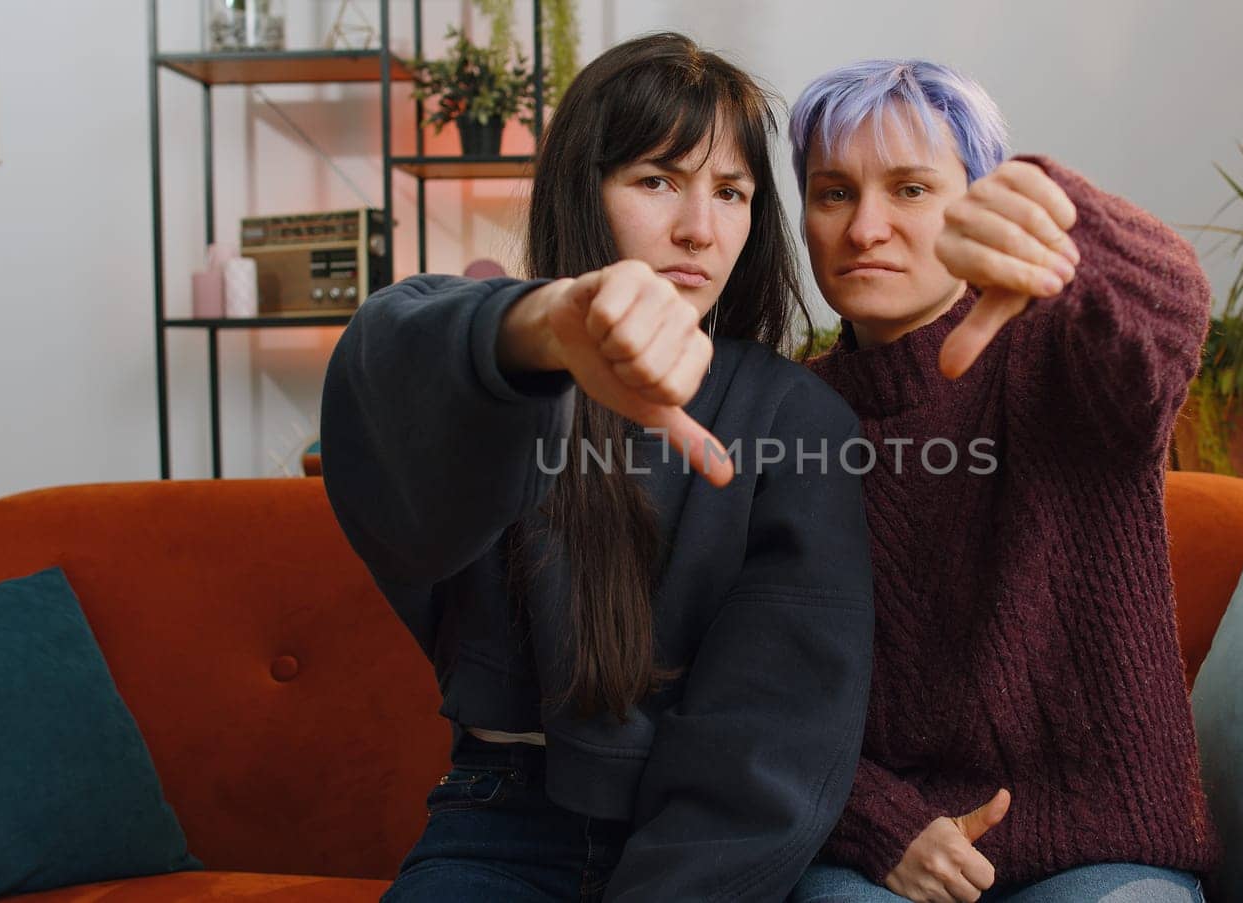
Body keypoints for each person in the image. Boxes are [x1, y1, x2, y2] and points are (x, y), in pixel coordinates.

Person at [320, 33, 875, 902]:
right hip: (497, 824)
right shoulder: (508, 376)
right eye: (656, 180)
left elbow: (771, 749)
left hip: (712, 855)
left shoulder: (797, 420)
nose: (699, 227)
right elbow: (387, 360)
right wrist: (536, 331)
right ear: (585, 189)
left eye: (731, 192)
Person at [785, 60, 1220, 902]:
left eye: (910, 189)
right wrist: (875, 822)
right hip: (880, 851)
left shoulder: (1063, 355)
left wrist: (1064, 218)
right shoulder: (786, 413)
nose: (865, 226)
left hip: (1101, 848)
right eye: (834, 192)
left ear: (978, 206)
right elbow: (755, 694)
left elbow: (1170, 317)